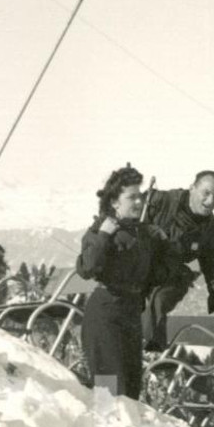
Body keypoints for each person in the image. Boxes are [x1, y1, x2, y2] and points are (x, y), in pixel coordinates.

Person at [77, 164, 173, 400]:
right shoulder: (101, 229)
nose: (138, 202)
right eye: (132, 197)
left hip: (130, 315)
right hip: (105, 314)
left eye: (140, 196)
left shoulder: (142, 233)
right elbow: (87, 268)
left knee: (130, 393)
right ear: (114, 202)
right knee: (109, 391)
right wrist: (103, 236)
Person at [141, 171, 214, 350]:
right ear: (192, 188)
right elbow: (124, 216)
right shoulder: (160, 202)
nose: (210, 202)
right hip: (138, 266)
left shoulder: (210, 229)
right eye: (206, 193)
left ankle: (151, 350)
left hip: (171, 273)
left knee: (158, 299)